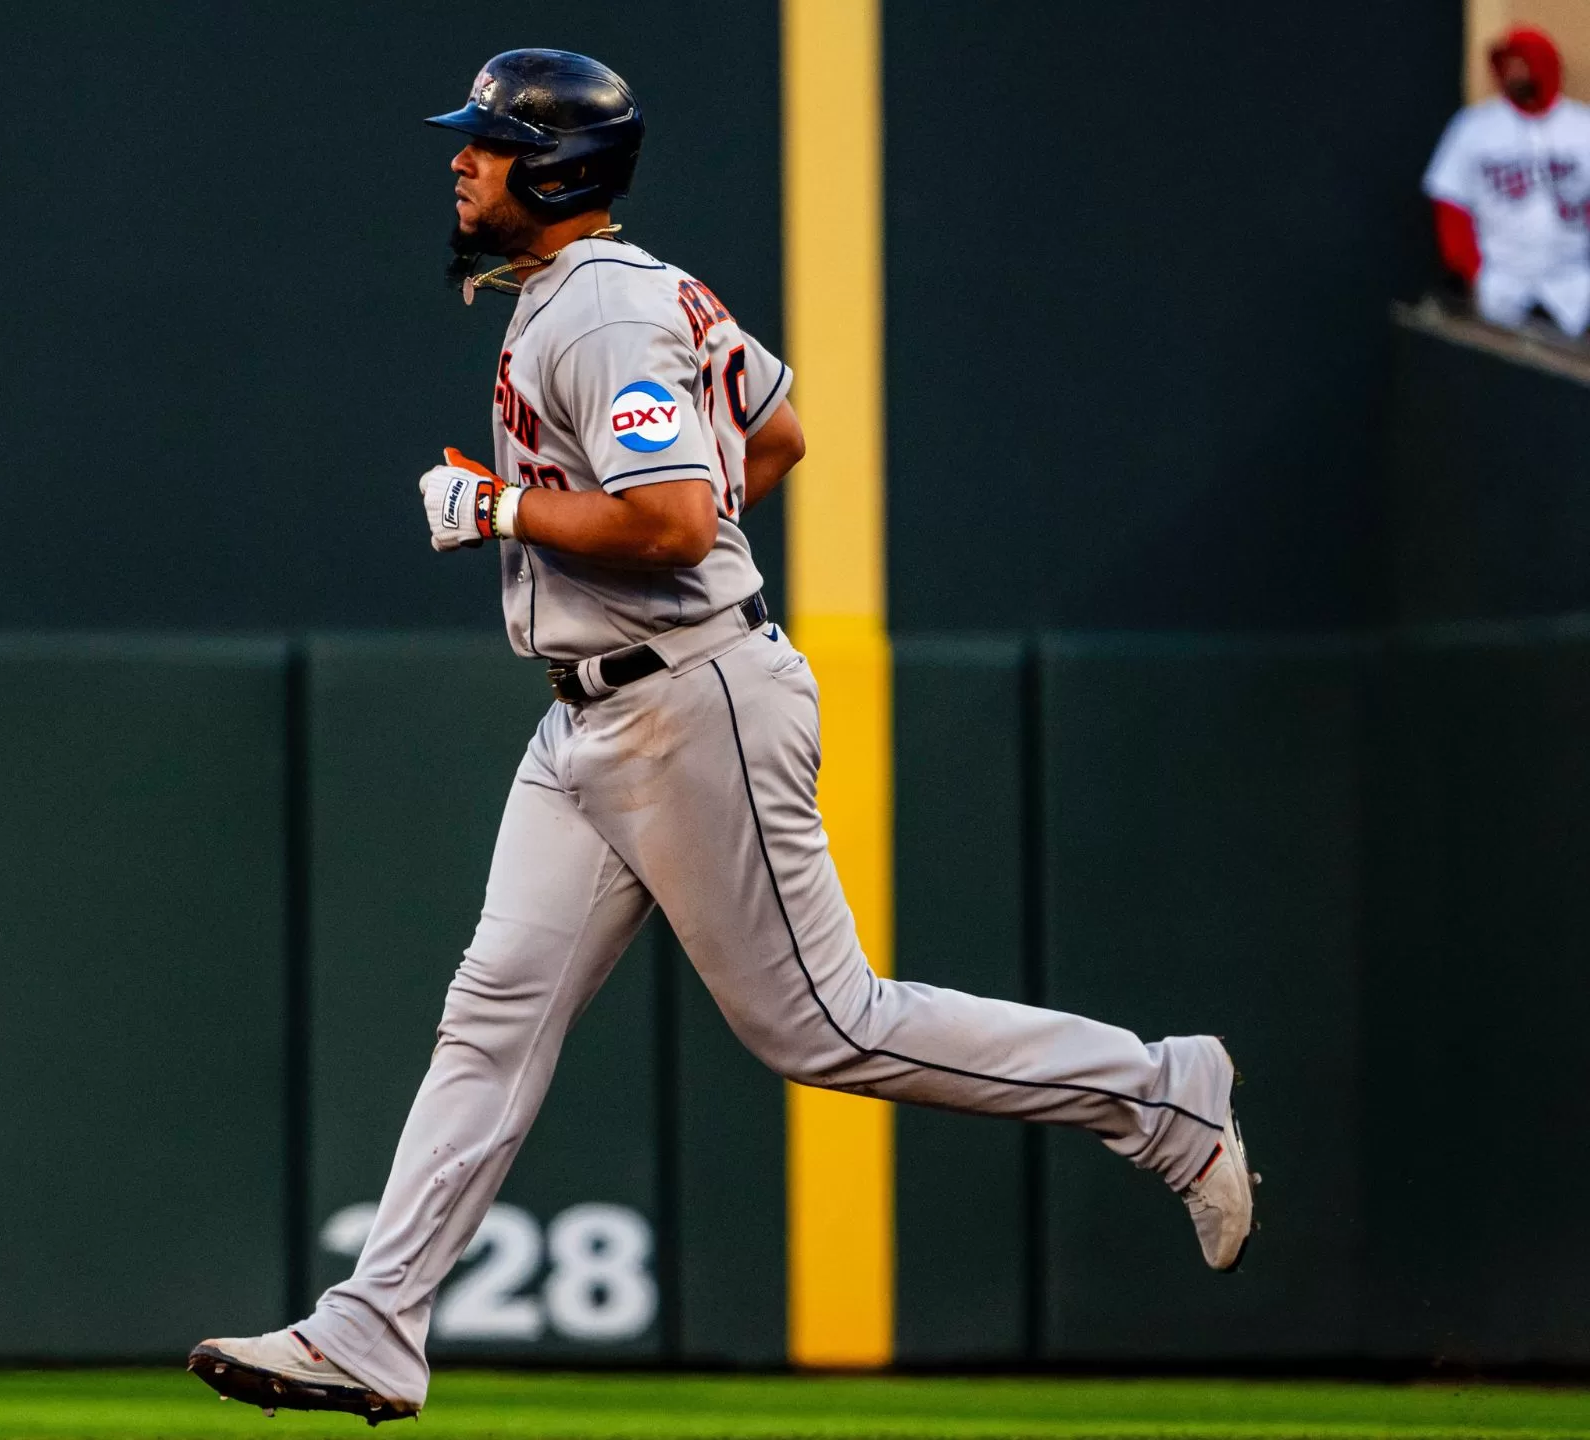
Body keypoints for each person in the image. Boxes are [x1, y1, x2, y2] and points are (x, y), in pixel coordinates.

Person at [187, 50, 1257, 1426]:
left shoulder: (599, 319)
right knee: (491, 1013)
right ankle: (373, 1327)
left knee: (827, 1027)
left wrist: (506, 514)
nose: (460, 161)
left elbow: (682, 522)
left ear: (559, 171)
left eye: (490, 144)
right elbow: (781, 432)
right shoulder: (628, 290)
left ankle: (1159, 1093)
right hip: (592, 714)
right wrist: (622, 526)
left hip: (688, 701)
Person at [1426, 25, 1590, 337]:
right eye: (1509, 66)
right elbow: (1450, 201)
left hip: (1574, 284)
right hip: (1499, 280)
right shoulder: (1476, 126)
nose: (1515, 74)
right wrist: (1467, 269)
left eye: (1523, 65)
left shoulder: (1583, 128)